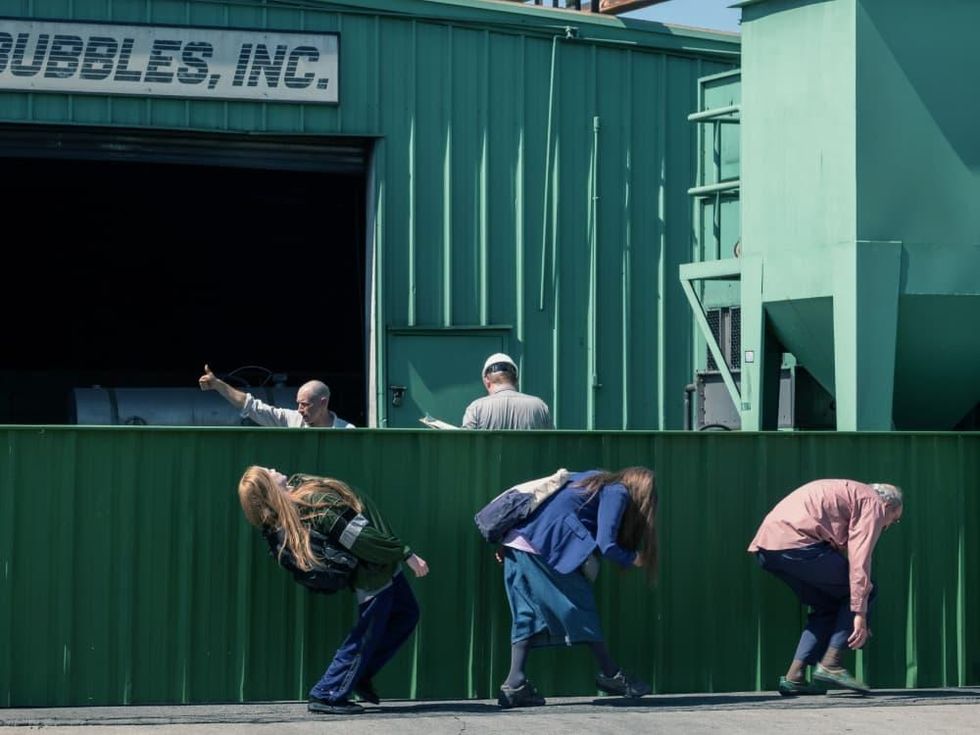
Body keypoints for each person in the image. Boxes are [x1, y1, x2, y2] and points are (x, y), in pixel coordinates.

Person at [237, 466, 429, 714]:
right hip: (372, 569)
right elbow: (360, 537)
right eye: (269, 472)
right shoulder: (313, 503)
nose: (274, 469)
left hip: (381, 564)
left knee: (406, 614)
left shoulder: (299, 489)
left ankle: (358, 675)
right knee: (365, 634)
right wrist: (407, 554)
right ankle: (326, 693)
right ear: (269, 488)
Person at [494, 467, 659, 708]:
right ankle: (612, 675)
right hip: (545, 546)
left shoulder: (590, 479)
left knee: (526, 615)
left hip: (517, 541)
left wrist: (506, 541)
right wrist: (635, 558)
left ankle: (514, 685)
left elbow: (543, 502)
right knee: (579, 608)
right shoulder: (617, 492)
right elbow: (606, 544)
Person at [748, 479, 904, 695]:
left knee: (828, 606)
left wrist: (850, 615)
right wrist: (860, 612)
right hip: (797, 545)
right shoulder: (873, 503)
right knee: (866, 589)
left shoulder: (851, 494)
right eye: (894, 520)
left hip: (768, 549)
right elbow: (860, 558)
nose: (887, 526)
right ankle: (831, 663)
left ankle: (795, 677)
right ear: (887, 506)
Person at [199, 364, 354, 428]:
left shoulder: (348, 432)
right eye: (298, 403)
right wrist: (219, 385)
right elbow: (252, 406)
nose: (300, 409)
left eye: (305, 404)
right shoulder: (291, 420)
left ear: (323, 403)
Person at [461, 353, 552, 430]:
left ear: (487, 381)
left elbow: (465, 445)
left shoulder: (476, 408)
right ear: (516, 380)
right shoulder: (540, 407)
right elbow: (553, 445)